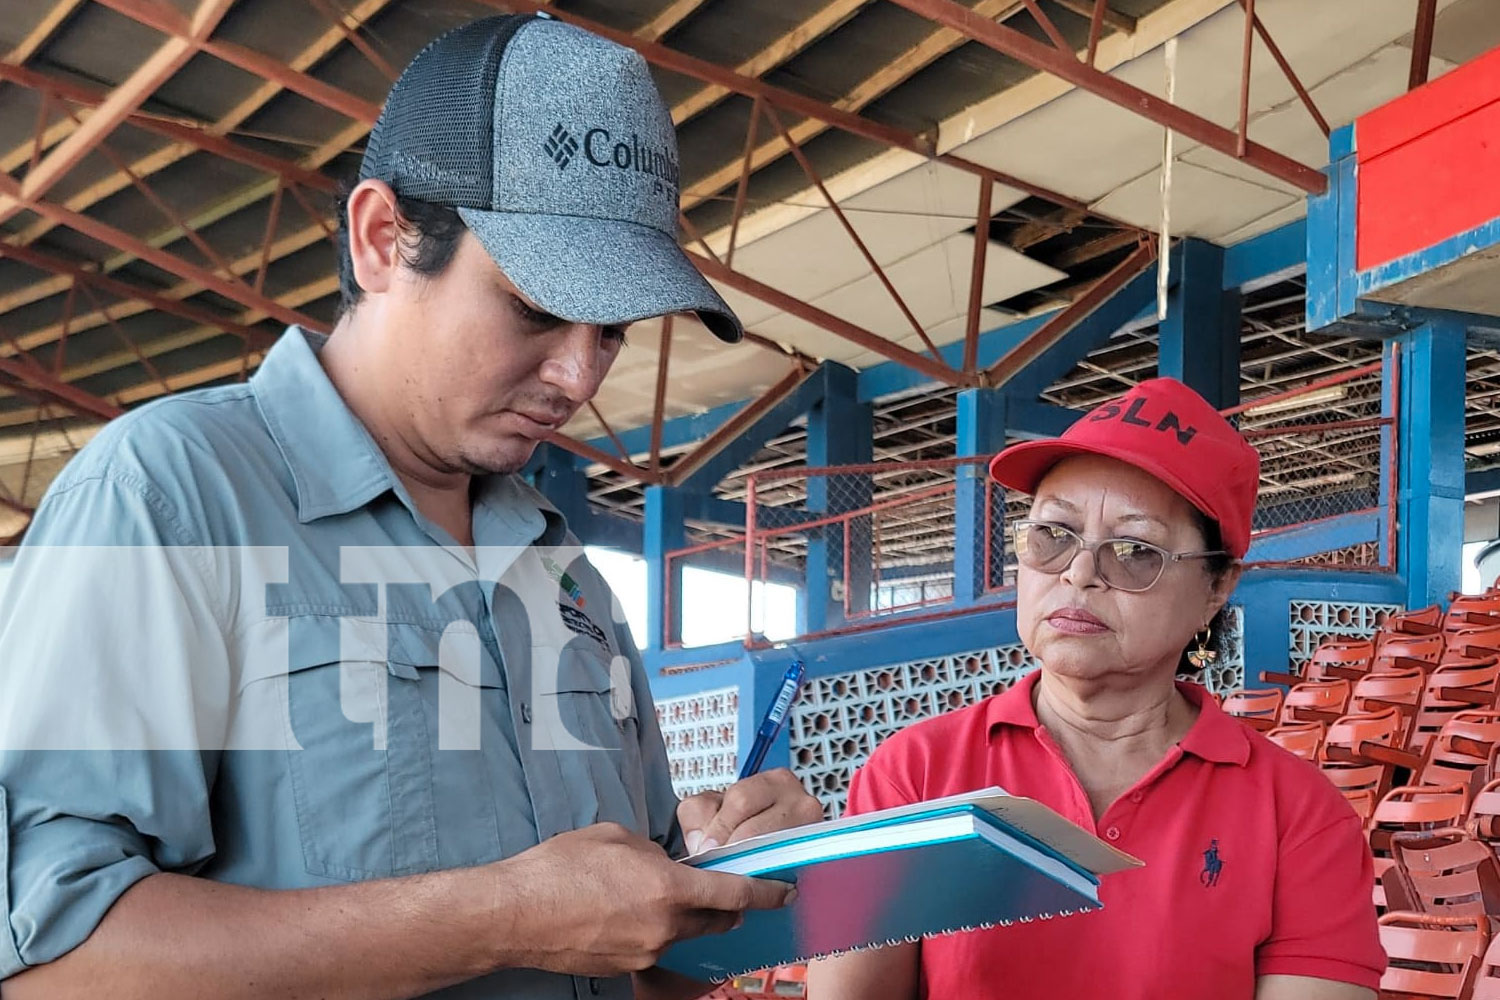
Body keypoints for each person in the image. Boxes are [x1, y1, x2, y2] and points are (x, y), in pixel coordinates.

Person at [0, 14, 821, 1000]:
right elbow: (55, 964)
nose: (577, 374)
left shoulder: (570, 584)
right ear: (383, 237)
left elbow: (639, 964)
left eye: (611, 331)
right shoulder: (173, 499)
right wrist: (504, 914)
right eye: (534, 308)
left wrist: (741, 886)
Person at [808, 378, 1385, 1000]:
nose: (1080, 573)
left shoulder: (1298, 815)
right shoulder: (914, 775)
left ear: (1217, 589)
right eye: (1053, 536)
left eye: (1135, 550)